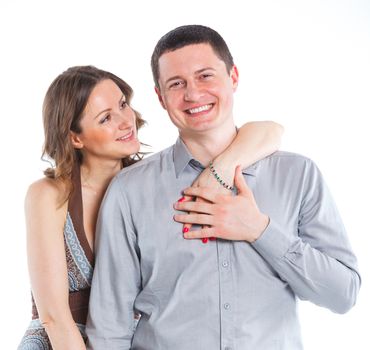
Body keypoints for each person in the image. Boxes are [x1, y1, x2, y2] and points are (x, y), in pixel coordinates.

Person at [86, 25, 361, 350]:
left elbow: (342, 294)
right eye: (176, 83)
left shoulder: (298, 174)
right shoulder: (129, 192)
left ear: (233, 77)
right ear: (161, 97)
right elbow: (108, 329)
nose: (192, 94)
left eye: (205, 76)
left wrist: (261, 230)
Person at [17, 64, 283, 350]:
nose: (125, 121)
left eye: (123, 104)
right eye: (106, 118)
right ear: (75, 138)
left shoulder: (149, 185)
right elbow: (54, 318)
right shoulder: (50, 195)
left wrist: (217, 172)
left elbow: (271, 132)